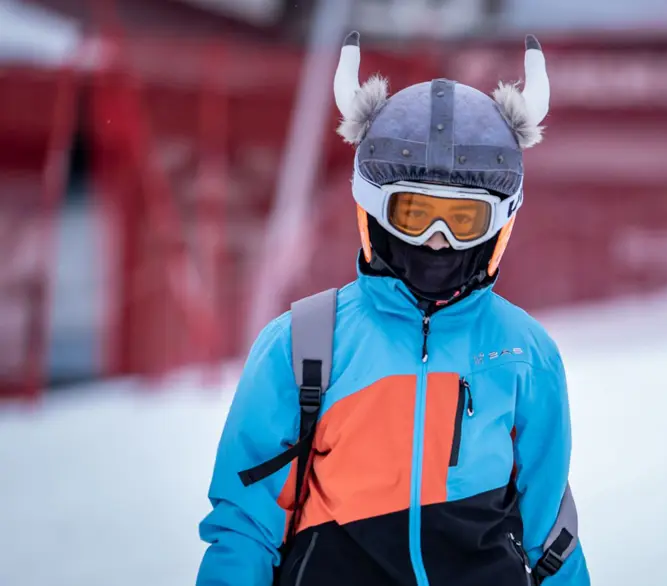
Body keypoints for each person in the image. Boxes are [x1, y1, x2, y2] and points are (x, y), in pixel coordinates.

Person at [196, 30, 590, 586]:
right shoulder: (306, 343)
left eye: (462, 221)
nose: (436, 241)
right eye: (414, 213)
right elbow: (246, 524)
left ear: (498, 225)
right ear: (374, 212)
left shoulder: (525, 355)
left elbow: (551, 536)